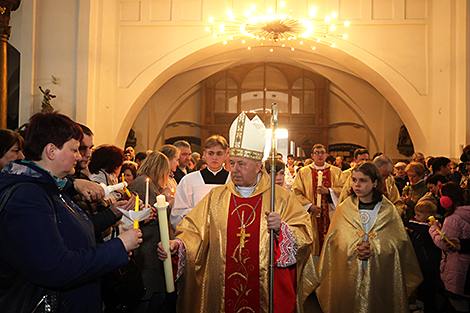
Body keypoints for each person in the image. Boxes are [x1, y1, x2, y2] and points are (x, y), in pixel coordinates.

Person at [158, 112, 318, 313]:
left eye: (241, 164)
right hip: (222, 286)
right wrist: (178, 245)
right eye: (232, 163)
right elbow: (193, 231)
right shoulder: (217, 197)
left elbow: (304, 233)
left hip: (265, 290)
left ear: (259, 166)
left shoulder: (280, 198)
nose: (234, 170)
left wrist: (282, 230)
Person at [0, 112, 142, 312]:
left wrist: (112, 213)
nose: (79, 156)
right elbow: (56, 268)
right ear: (51, 151)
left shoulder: (51, 186)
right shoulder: (27, 197)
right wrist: (118, 247)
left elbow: (73, 231)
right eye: (74, 149)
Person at [316, 162, 422, 313]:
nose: (357, 185)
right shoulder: (344, 209)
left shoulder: (388, 210)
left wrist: (375, 249)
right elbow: (334, 243)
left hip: (381, 272)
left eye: (363, 180)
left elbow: (399, 244)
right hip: (348, 272)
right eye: (354, 180)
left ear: (375, 183)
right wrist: (354, 248)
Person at [128, 151, 175, 313]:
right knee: (147, 296)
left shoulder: (152, 184)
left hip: (153, 245)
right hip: (146, 247)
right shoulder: (142, 183)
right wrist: (168, 203)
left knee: (158, 294)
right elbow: (147, 213)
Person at [170, 135, 230, 229]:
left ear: (226, 155)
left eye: (219, 154)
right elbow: (177, 213)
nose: (214, 158)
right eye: (211, 153)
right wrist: (200, 213)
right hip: (197, 233)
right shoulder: (189, 180)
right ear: (204, 155)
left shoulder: (233, 180)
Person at [293, 143, 343, 256]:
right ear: (312, 155)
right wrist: (310, 206)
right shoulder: (303, 172)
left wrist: (329, 191)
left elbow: (344, 190)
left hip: (331, 215)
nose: (320, 155)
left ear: (326, 155)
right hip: (311, 217)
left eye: (322, 153)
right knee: (313, 249)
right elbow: (297, 193)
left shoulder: (336, 172)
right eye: (317, 153)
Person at [429, 182, 470, 312]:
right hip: (466, 265)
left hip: (457, 265)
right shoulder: (466, 212)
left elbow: (445, 244)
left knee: (458, 305)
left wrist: (434, 229)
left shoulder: (453, 218)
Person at [403, 201, 442, 313]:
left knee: (428, 288)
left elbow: (417, 225)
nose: (415, 217)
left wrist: (404, 221)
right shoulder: (424, 225)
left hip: (429, 263)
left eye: (418, 215)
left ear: (428, 216)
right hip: (423, 261)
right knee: (422, 285)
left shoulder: (430, 226)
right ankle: (420, 303)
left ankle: (429, 308)